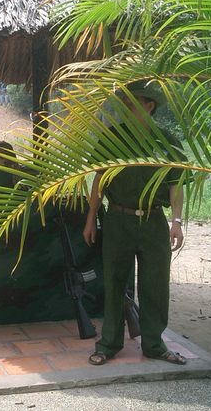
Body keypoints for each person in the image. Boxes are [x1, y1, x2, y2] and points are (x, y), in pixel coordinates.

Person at [83, 80, 188, 366]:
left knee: (156, 284)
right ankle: (109, 343)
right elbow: (99, 180)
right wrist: (91, 219)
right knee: (114, 282)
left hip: (154, 221)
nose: (126, 108)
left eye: (132, 103)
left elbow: (175, 185)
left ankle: (154, 344)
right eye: (124, 103)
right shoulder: (111, 139)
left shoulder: (167, 141)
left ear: (149, 105)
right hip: (117, 218)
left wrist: (176, 221)